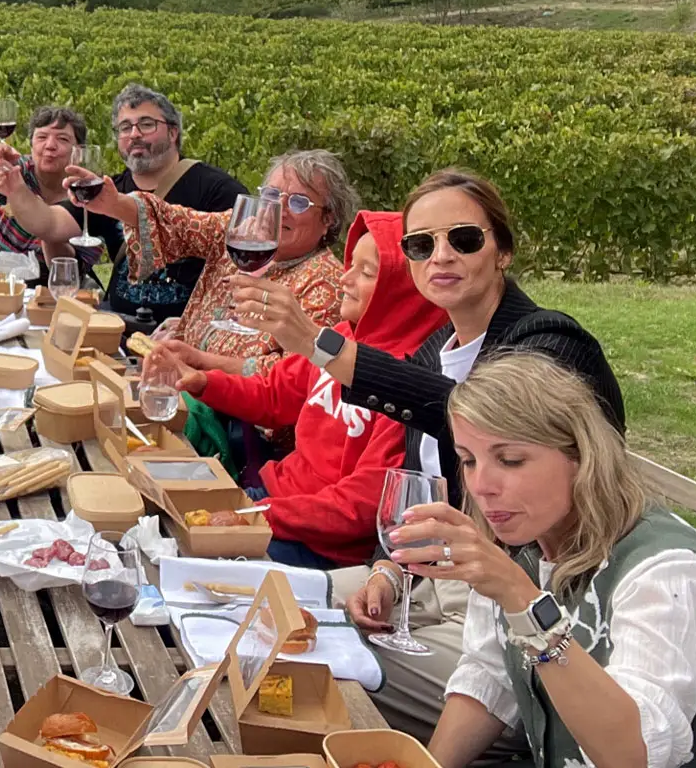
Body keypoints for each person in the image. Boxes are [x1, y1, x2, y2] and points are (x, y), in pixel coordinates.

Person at [228, 167, 624, 752]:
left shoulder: (550, 345)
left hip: (529, 613)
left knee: (290, 661)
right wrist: (391, 571)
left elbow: (466, 414)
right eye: (420, 244)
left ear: (503, 252)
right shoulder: (439, 348)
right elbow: (428, 481)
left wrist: (319, 342)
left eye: (463, 238)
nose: (441, 255)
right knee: (254, 616)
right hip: (429, 583)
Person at [395, 353, 696, 768]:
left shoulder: (670, 572)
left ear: (581, 457)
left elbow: (634, 755)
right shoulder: (523, 542)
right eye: (468, 460)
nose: (481, 485)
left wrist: (525, 605)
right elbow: (490, 676)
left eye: (510, 460)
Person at [149, 211, 445, 569]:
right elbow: (273, 396)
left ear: (405, 291)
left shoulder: (404, 383)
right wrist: (200, 381)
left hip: (321, 546)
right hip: (273, 499)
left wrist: (259, 514)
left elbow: (362, 505)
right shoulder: (342, 338)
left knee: (178, 562)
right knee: (154, 519)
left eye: (367, 273)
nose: (346, 278)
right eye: (351, 264)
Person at [74, 148, 353, 378]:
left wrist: (200, 362)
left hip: (230, 427)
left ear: (328, 219)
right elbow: (179, 224)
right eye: (270, 196)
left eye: (299, 203)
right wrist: (112, 204)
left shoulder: (327, 283)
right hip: (176, 385)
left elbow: (294, 376)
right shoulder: (244, 232)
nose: (279, 210)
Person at [98, 84, 248, 328]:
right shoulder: (111, 187)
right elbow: (50, 223)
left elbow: (244, 269)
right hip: (116, 329)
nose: (134, 134)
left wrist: (199, 327)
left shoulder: (217, 189)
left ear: (173, 132)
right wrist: (17, 186)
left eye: (146, 124)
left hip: (184, 336)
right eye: (125, 127)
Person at [0, 104, 118, 274]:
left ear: (78, 150)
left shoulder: (90, 196)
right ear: (31, 145)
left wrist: (48, 230)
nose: (50, 145)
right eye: (41, 137)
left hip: (37, 283)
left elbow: (70, 270)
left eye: (62, 139)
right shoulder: (18, 169)